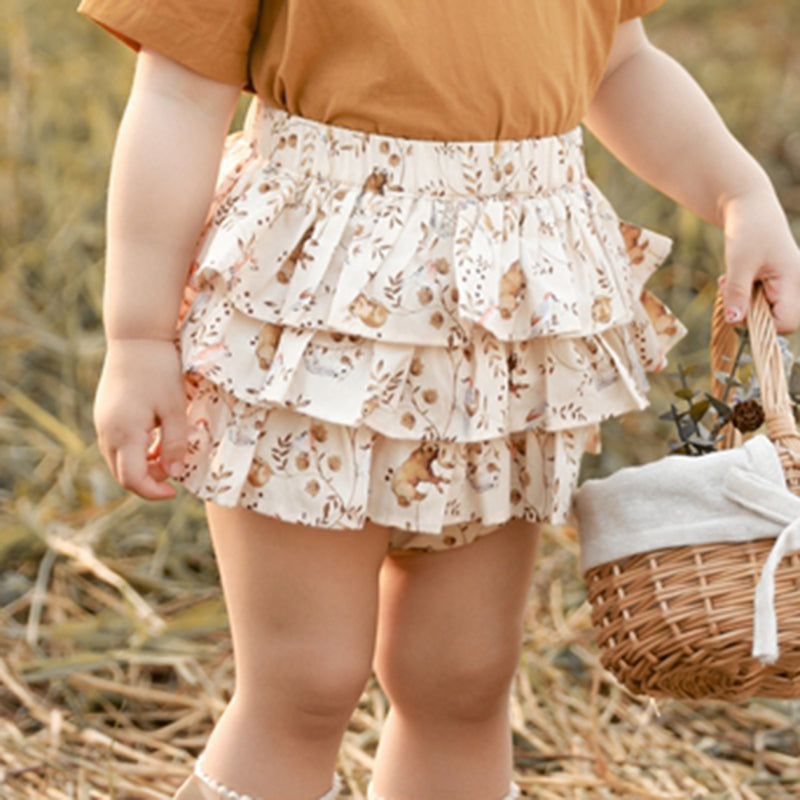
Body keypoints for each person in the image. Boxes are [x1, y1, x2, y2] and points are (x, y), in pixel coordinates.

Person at [78, 1, 800, 798]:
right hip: (319, 316)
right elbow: (179, 95)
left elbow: (619, 62)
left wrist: (738, 188)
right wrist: (138, 338)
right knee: (305, 679)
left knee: (462, 676)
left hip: (510, 327)